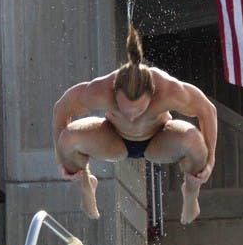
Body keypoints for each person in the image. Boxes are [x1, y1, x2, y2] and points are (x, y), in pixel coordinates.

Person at [52, 24, 217, 225]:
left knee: (195, 141)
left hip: (158, 140)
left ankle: (191, 191)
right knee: (67, 139)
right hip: (113, 139)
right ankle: (85, 183)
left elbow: (208, 111)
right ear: (114, 91)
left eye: (139, 111)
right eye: (124, 109)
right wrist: (62, 159)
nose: (131, 117)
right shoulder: (99, 89)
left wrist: (210, 163)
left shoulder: (170, 90)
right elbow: (61, 109)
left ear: (153, 93)